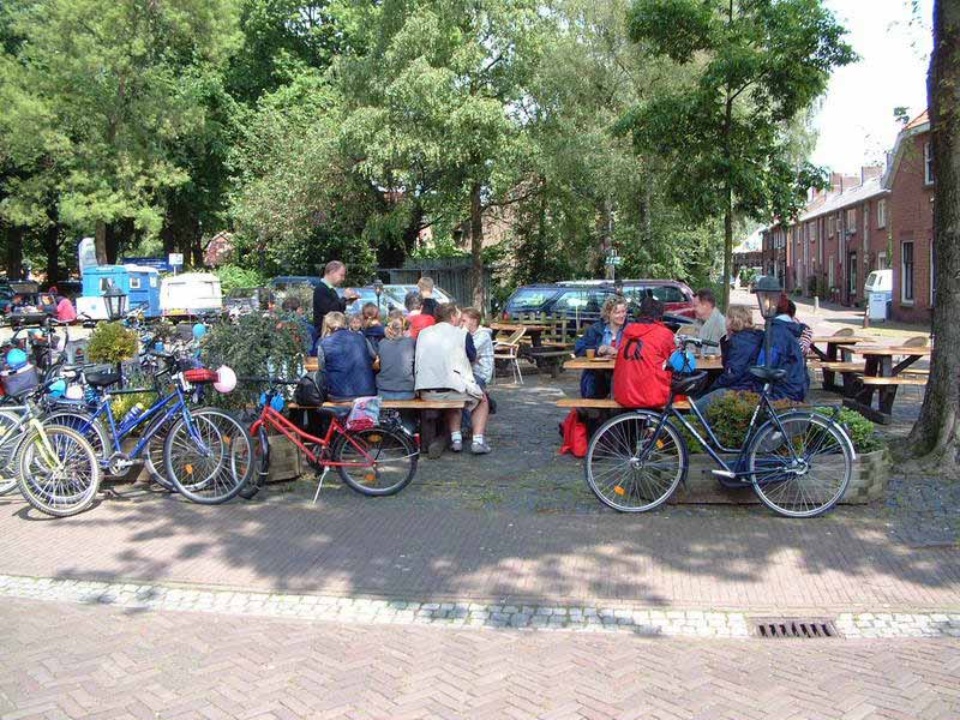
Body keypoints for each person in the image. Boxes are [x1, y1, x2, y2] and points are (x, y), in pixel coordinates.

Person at [415, 303, 492, 455]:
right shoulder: (462, 334)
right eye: (457, 315)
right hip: (452, 389)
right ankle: (478, 441)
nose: (458, 319)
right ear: (451, 316)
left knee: (453, 397)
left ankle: (456, 440)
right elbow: (472, 357)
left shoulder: (423, 333)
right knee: (482, 400)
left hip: (425, 391)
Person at [696, 305, 765, 409]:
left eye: (727, 317)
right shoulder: (751, 337)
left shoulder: (739, 342)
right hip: (749, 386)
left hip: (740, 389)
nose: (725, 320)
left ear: (733, 320)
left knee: (696, 407)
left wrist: (713, 387)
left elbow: (732, 373)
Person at [573, 296, 629, 398]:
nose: (622, 315)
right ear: (608, 314)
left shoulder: (630, 329)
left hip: (623, 374)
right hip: (598, 376)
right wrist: (598, 350)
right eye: (617, 312)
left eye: (623, 311)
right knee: (595, 380)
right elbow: (578, 348)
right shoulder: (596, 329)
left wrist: (620, 352)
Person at [316, 311, 377, 401]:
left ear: (328, 326)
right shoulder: (361, 338)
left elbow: (322, 368)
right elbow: (373, 356)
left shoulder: (324, 343)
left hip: (338, 394)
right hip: (367, 392)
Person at [376, 318, 416, 400]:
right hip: (406, 390)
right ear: (403, 330)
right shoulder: (411, 342)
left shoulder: (381, 343)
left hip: (384, 391)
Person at [313, 260, 359, 331]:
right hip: (325, 334)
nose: (343, 279)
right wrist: (344, 297)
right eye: (341, 275)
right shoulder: (321, 289)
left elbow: (335, 307)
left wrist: (346, 302)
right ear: (331, 272)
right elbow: (331, 311)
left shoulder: (329, 288)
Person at [460, 307, 494, 387]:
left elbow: (467, 352)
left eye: (464, 321)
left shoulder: (483, 335)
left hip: (480, 374)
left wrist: (463, 331)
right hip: (470, 371)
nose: (461, 323)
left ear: (474, 321)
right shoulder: (470, 334)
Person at [693, 288, 726, 355]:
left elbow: (716, 355)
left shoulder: (721, 324)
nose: (693, 309)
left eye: (695, 306)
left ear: (706, 305)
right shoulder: (699, 321)